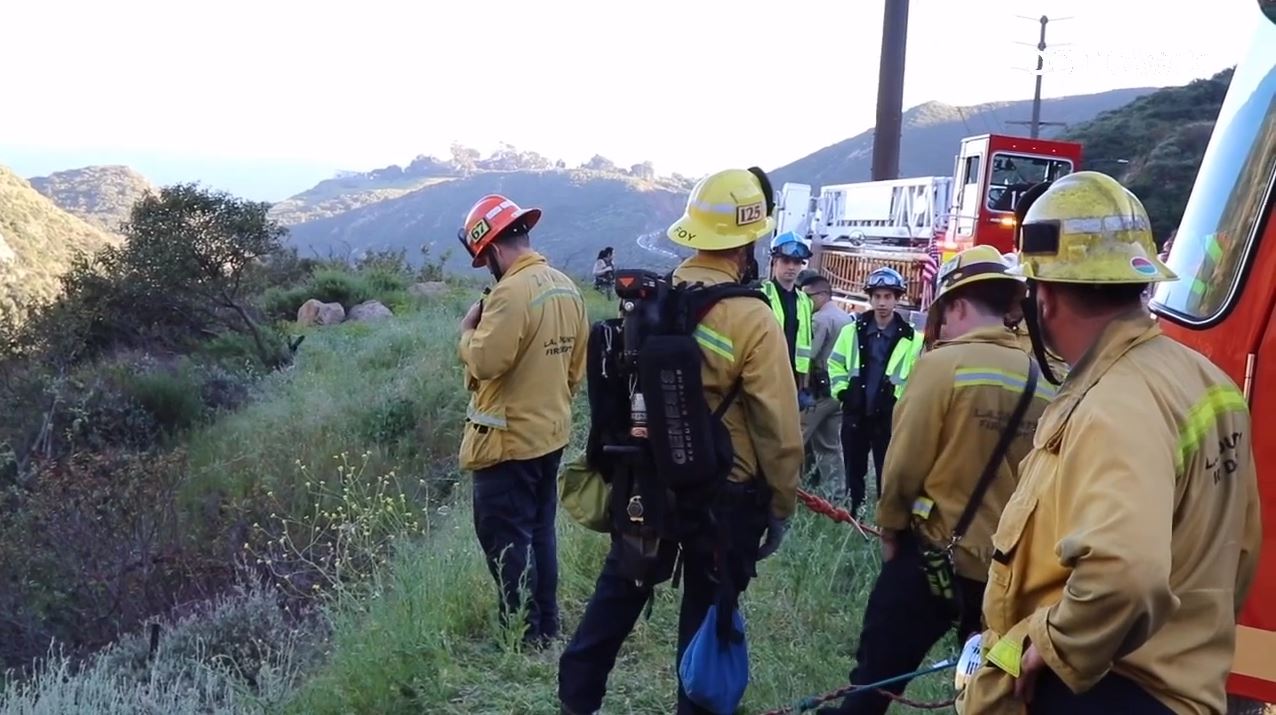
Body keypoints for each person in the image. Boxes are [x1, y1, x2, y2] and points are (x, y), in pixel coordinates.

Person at [959, 172, 1262, 715]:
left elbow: (1126, 575)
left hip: (1110, 690)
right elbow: (1239, 551)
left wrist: (1051, 648)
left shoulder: (1113, 405)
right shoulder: (1206, 381)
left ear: (1044, 297)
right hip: (1180, 687)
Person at [558, 168, 804, 715]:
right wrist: (780, 508)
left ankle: (575, 700)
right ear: (748, 240)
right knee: (704, 624)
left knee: (616, 600)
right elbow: (780, 433)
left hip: (646, 482)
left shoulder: (656, 298)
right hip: (724, 501)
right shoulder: (753, 318)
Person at [819, 246, 1054, 715]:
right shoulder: (1046, 379)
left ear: (958, 305)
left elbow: (904, 464)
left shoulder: (942, 366)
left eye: (941, 314)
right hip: (1005, 573)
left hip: (931, 557)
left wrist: (890, 529)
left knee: (875, 680)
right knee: (991, 690)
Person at [455, 193, 589, 647]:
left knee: (507, 544)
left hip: (505, 444)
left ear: (491, 248)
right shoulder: (566, 286)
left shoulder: (510, 292)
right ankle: (546, 625)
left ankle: (522, 636)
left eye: (484, 258)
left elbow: (487, 362)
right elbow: (575, 368)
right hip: (549, 437)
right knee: (539, 535)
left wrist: (467, 334)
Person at [826, 267, 923, 514]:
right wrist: (843, 392)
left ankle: (884, 521)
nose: (882, 303)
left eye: (888, 296)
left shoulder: (913, 339)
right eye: (877, 296)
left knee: (886, 474)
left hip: (888, 416)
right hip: (856, 413)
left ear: (897, 298)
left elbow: (917, 377)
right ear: (870, 298)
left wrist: (897, 400)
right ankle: (854, 516)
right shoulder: (851, 331)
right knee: (853, 472)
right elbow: (835, 363)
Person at [800, 274, 853, 497]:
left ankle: (790, 489)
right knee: (829, 445)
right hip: (839, 390)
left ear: (822, 295)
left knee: (796, 437)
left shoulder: (820, 320)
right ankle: (836, 493)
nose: (805, 301)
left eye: (807, 296)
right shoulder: (845, 318)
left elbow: (809, 354)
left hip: (818, 392)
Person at [761, 231, 815, 400]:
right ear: (774, 262)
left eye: (797, 262)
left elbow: (805, 343)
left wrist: (804, 384)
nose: (791, 267)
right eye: (786, 261)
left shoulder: (805, 301)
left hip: (793, 378)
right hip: (765, 374)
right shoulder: (760, 294)